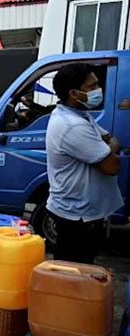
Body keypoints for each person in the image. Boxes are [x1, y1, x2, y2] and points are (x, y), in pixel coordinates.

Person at [46, 63, 123, 264]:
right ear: (74, 93)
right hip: (77, 217)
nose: (99, 90)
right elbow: (112, 166)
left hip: (83, 213)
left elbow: (110, 139)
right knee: (73, 273)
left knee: (79, 271)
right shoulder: (73, 126)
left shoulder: (81, 115)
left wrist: (107, 147)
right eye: (92, 86)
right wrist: (108, 149)